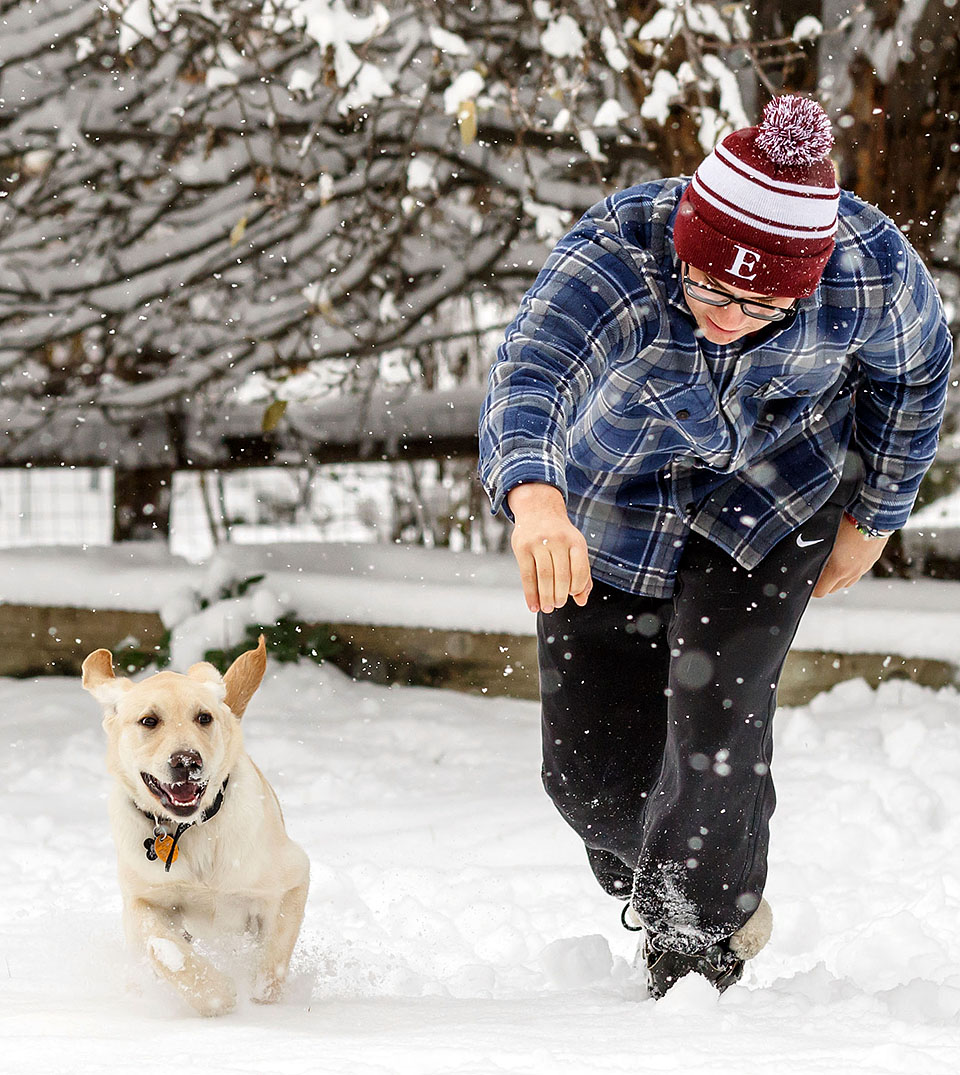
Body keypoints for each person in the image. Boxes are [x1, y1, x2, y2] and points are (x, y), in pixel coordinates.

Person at [478, 95, 953, 997]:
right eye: (707, 286)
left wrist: (878, 515)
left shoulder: (871, 269)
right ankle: (686, 866)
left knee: (712, 738)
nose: (727, 313)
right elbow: (531, 364)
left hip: (778, 502)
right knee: (584, 780)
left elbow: (917, 375)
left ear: (807, 280)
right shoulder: (621, 253)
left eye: (761, 299)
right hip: (612, 509)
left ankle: (699, 949)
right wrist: (534, 498)